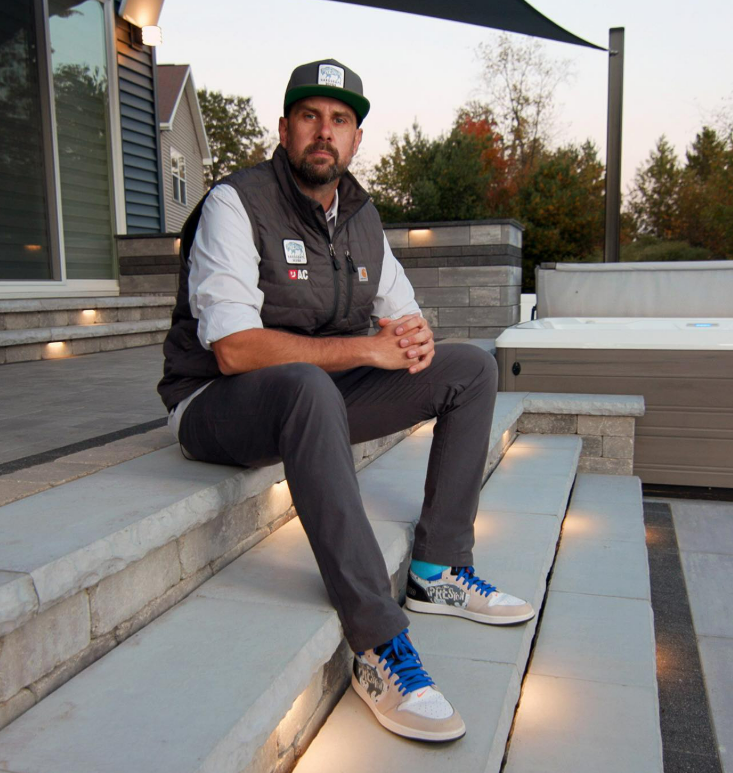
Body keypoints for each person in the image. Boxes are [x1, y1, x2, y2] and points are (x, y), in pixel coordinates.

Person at [157, 58, 534, 743]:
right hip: (215, 403)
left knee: (469, 368)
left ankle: (439, 566)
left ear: (356, 138)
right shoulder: (234, 203)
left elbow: (402, 316)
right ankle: (376, 641)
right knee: (306, 385)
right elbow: (235, 349)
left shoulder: (360, 216)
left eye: (338, 120)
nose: (322, 133)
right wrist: (366, 350)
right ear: (284, 128)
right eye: (308, 117)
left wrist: (415, 339)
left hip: (315, 397)